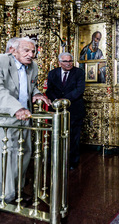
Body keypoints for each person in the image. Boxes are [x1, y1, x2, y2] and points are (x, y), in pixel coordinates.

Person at [0, 37, 51, 203]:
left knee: (25, 154)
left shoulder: (33, 66)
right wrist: (16, 108)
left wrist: (36, 93)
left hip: (25, 118)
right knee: (8, 156)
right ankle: (6, 196)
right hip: (6, 119)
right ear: (13, 50)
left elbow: (29, 86)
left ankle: (18, 191)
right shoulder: (2, 61)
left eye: (33, 51)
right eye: (26, 51)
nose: (31, 55)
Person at [46, 52, 86, 170]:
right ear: (59, 62)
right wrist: (56, 100)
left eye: (70, 61)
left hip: (74, 109)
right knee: (55, 135)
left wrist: (65, 99)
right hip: (56, 110)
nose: (68, 63)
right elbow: (49, 90)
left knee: (74, 137)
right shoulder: (53, 73)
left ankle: (72, 162)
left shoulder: (79, 72)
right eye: (65, 61)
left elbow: (79, 89)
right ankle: (52, 161)